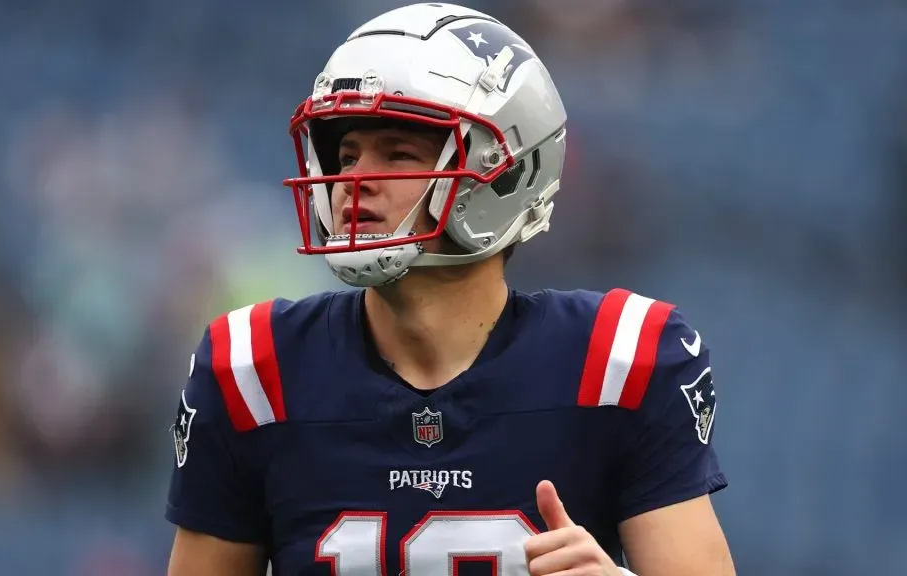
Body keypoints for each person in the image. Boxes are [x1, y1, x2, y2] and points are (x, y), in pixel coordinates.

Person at [165, 3, 735, 575]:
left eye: (397, 154)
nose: (351, 184)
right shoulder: (252, 371)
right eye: (345, 155)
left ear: (503, 172)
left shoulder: (621, 361)